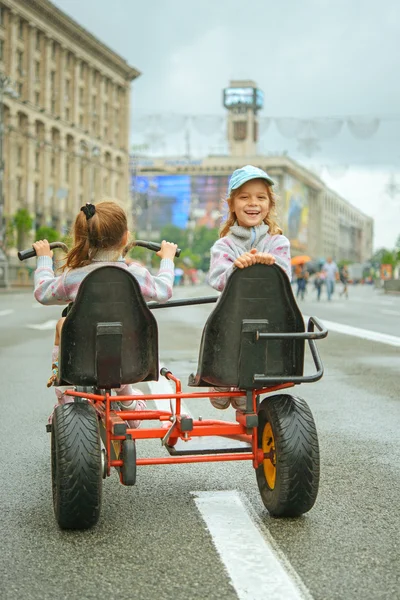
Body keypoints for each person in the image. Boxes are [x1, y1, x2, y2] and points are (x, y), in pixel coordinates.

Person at [33, 200, 178, 427]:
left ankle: (66, 394)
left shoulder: (74, 276)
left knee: (63, 323)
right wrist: (167, 260)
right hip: (131, 360)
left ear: (82, 239)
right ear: (125, 238)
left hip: (84, 358)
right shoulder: (136, 274)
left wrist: (44, 259)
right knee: (129, 330)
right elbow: (164, 290)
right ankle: (127, 397)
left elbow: (43, 293)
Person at [207, 165, 291, 410]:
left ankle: (246, 385)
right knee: (221, 399)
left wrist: (269, 268)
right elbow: (217, 279)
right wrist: (236, 267)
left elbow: (285, 281)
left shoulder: (278, 243)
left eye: (260, 197)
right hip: (231, 321)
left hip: (268, 322)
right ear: (232, 204)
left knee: (247, 402)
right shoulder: (224, 245)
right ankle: (221, 378)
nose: (253, 203)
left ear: (269, 205)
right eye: (244, 197)